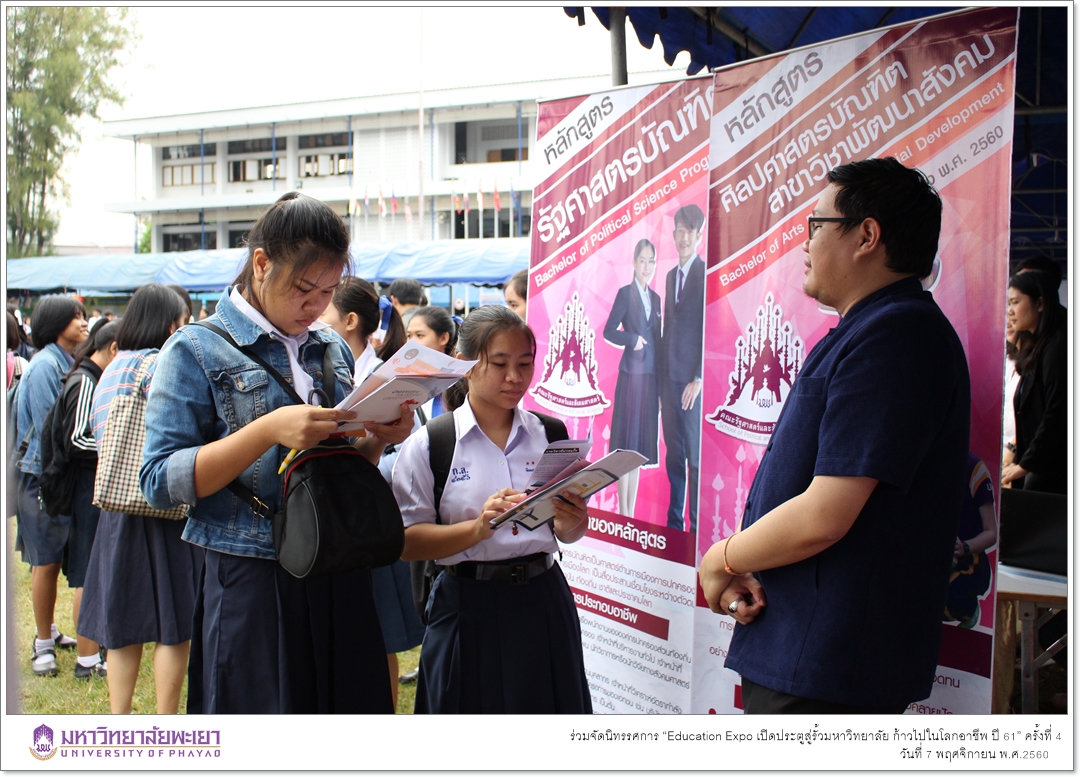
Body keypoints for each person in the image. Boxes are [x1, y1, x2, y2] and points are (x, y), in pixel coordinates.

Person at [699, 157, 971, 714]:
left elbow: (825, 514)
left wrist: (722, 559)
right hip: (805, 646)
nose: (805, 243)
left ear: (867, 236)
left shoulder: (897, 335)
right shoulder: (868, 327)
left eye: (816, 225)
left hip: (831, 665)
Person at [140, 191, 402, 714]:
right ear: (261, 264)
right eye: (304, 289)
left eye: (328, 292)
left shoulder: (328, 346)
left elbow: (340, 469)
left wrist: (379, 437)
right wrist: (266, 431)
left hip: (338, 561)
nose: (316, 306)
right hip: (253, 571)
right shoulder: (195, 349)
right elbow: (160, 480)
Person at [392, 305, 592, 713]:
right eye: (499, 364)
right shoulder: (432, 444)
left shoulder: (551, 434)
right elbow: (407, 543)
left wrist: (573, 520)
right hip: (466, 603)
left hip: (542, 598)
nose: (515, 377)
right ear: (465, 365)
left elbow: (565, 533)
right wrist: (478, 529)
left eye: (525, 363)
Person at [77, 285, 202, 713]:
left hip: (117, 508)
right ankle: (165, 719)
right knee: (174, 625)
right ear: (169, 324)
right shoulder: (161, 363)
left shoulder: (112, 367)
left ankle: (120, 717)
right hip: (161, 505)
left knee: (122, 624)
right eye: (182, 320)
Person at [318, 275, 419, 711]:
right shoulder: (323, 365)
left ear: (350, 321)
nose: (315, 317)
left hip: (370, 518)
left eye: (324, 308)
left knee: (379, 638)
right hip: (334, 519)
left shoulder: (379, 378)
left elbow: (398, 453)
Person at [12, 295, 88, 677]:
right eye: (76, 317)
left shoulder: (65, 360)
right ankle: (42, 644)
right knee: (46, 562)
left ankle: (51, 630)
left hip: (54, 475)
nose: (84, 322)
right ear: (56, 324)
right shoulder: (45, 366)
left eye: (84, 316)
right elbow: (51, 430)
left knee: (54, 559)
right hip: (40, 477)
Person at [56, 319, 120, 679]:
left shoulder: (89, 377)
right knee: (87, 573)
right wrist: (114, 448)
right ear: (113, 348)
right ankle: (86, 659)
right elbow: (77, 438)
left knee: (93, 572)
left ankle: (92, 653)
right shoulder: (85, 382)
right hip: (85, 487)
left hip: (90, 486)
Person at [603, 238, 662, 517]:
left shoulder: (656, 299)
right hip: (630, 377)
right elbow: (609, 330)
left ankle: (630, 514)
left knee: (638, 448)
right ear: (634, 263)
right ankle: (623, 511)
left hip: (649, 379)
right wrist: (632, 339)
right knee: (626, 444)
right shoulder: (625, 294)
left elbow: (659, 342)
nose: (647, 266)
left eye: (651, 261)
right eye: (643, 260)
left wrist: (660, 388)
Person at [659, 204, 706, 533]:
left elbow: (709, 329)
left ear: (699, 235)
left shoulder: (706, 274)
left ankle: (695, 526)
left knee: (694, 457)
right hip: (668, 381)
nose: (684, 236)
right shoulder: (669, 276)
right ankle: (674, 525)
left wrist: (699, 377)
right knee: (674, 454)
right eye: (679, 230)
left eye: (690, 230)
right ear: (674, 234)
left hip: (692, 383)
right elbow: (667, 328)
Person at [1001, 270, 1067, 494]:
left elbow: (1056, 412)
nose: (1010, 312)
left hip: (1052, 468)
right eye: (1008, 304)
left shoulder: (1057, 346)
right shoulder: (1037, 346)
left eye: (1015, 302)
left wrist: (1025, 465)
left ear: (1040, 303)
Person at [944, 452, 997, 629]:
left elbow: (991, 532)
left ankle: (967, 611)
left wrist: (965, 547)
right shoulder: (911, 460)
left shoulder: (972, 467)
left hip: (965, 563)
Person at [320, 276, 405, 382]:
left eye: (321, 314)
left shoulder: (381, 379)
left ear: (351, 321)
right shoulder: (315, 369)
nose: (313, 321)